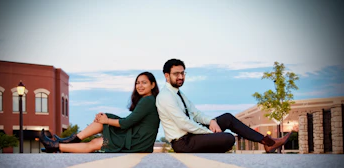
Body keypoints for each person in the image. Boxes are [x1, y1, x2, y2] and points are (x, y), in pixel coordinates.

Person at [156, 58, 291, 153]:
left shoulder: (179, 93)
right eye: (176, 74)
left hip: (191, 135)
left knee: (227, 118)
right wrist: (210, 134)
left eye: (182, 73)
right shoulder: (166, 96)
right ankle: (214, 143)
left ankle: (268, 143)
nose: (180, 77)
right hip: (183, 143)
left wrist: (211, 121)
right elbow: (184, 123)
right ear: (167, 76)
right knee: (228, 138)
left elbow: (196, 114)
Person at [40, 71, 160, 153]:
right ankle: (59, 145)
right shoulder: (147, 100)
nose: (140, 86)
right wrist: (106, 119)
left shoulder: (148, 100)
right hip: (136, 140)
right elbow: (131, 121)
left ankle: (63, 143)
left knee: (97, 138)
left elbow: (127, 122)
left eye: (144, 83)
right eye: (137, 83)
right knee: (95, 142)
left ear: (152, 85)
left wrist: (106, 120)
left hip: (136, 143)